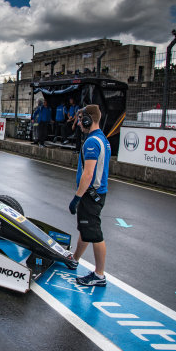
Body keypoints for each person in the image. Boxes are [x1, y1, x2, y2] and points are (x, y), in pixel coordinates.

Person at [68, 105, 111, 287]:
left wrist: (76, 198)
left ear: (88, 120)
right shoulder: (102, 139)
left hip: (91, 195)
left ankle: (99, 275)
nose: (78, 123)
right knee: (86, 229)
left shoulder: (92, 142)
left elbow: (88, 174)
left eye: (80, 119)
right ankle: (75, 258)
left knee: (95, 234)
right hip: (95, 194)